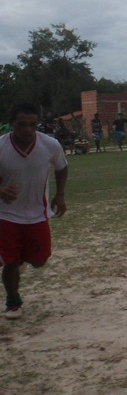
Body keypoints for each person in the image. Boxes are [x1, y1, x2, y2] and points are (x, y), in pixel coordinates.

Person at [0, 103, 68, 319]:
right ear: (11, 124)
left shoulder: (50, 145)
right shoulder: (1, 146)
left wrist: (60, 195)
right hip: (6, 214)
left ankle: (21, 262)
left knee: (39, 261)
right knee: (9, 261)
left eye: (32, 125)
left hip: (38, 214)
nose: (27, 130)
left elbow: (62, 167)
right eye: (21, 125)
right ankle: (13, 301)